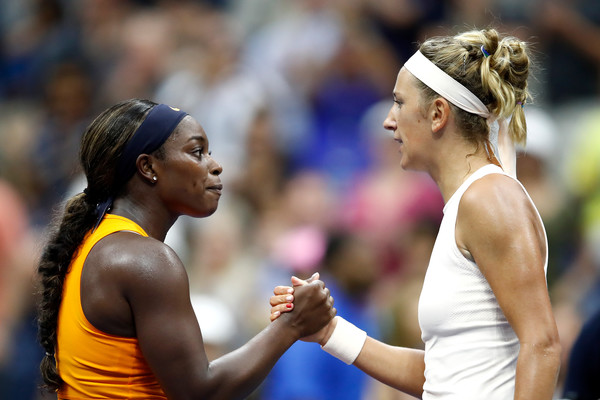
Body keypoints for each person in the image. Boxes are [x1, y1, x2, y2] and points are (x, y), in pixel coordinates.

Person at [270, 28, 561, 399]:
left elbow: (543, 345)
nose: (388, 121)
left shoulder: (489, 199)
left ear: (438, 113)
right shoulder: (472, 202)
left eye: (399, 103)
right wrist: (330, 331)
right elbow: (444, 375)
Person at [36, 98, 336, 399]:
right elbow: (199, 393)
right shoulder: (145, 260)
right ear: (148, 167)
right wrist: (292, 324)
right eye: (197, 152)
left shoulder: (100, 243)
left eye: (209, 153)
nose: (216, 166)